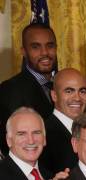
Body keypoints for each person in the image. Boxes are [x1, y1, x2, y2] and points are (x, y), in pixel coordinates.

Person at [0, 23, 57, 155]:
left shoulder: (62, 84)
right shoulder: (10, 89)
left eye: (50, 45)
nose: (45, 53)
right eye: (35, 47)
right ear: (24, 52)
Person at [39, 68, 86, 174]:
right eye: (69, 91)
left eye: (82, 91)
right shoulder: (43, 135)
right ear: (54, 96)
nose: (77, 98)